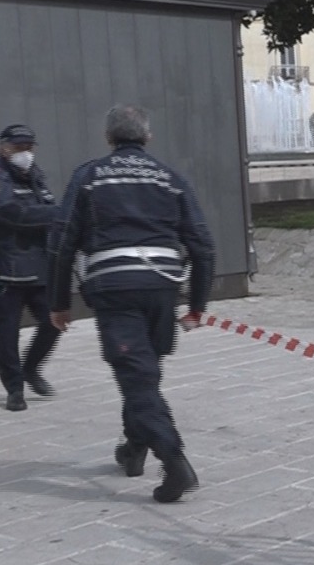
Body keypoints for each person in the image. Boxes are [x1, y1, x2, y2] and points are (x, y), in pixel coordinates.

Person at [48, 105, 214, 504]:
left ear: (108, 139)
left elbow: (61, 240)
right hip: (162, 289)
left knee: (137, 378)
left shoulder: (88, 177)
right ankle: (133, 449)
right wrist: (197, 305)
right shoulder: (171, 179)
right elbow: (202, 245)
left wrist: (58, 302)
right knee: (142, 373)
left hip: (114, 287)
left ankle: (173, 460)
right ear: (148, 138)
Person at [0, 124, 62, 412]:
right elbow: (12, 213)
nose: (25, 153)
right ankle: (14, 387)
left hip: (38, 265)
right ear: (4, 148)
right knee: (6, 335)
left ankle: (31, 368)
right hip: (4, 269)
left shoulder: (36, 177)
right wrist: (59, 213)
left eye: (29, 147)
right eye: (18, 147)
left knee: (54, 321)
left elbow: (47, 208)